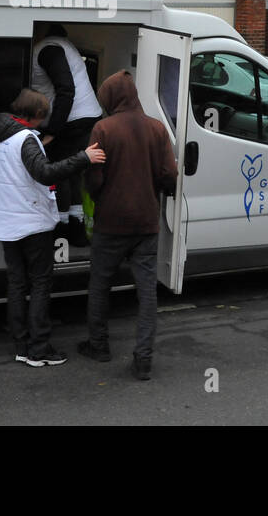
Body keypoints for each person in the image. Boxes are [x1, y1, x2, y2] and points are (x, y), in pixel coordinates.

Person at [0, 88, 105, 367]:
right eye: (43, 118)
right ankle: (39, 348)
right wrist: (83, 158)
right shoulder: (24, 139)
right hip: (31, 221)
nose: (44, 123)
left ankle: (21, 345)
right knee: (40, 283)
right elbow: (45, 173)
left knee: (16, 283)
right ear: (36, 115)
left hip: (5, 221)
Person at [78, 71, 177, 381]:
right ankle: (143, 360)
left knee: (100, 285)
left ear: (110, 99)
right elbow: (169, 177)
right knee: (147, 294)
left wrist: (99, 195)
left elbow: (94, 179)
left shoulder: (103, 129)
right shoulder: (158, 129)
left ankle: (99, 346)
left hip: (111, 223)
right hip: (146, 223)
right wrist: (156, 193)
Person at [30, 24, 103, 245]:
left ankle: (60, 231)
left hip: (70, 121)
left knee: (61, 174)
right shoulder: (65, 45)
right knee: (76, 175)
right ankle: (78, 231)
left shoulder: (47, 50)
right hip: (89, 116)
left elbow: (66, 90)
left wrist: (53, 130)